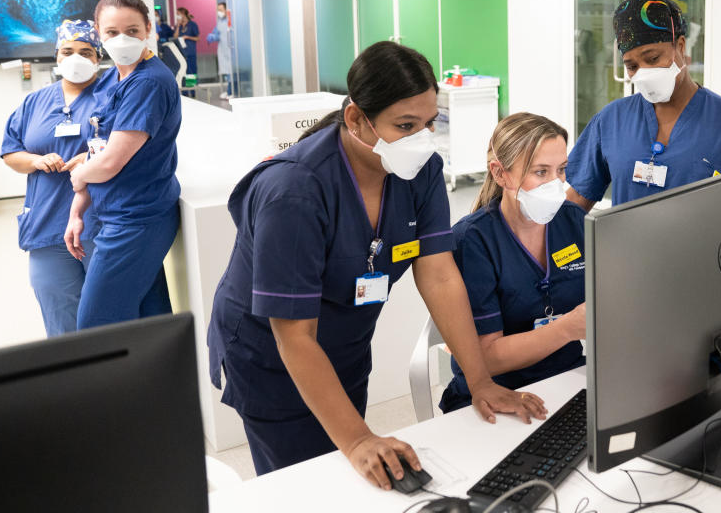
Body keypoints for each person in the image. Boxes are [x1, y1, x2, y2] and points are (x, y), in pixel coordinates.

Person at [207, 41, 547, 485]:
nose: (421, 139)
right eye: (405, 125)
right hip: (273, 360)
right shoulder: (295, 191)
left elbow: (439, 274)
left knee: (356, 480)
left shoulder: (418, 170)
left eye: (429, 122)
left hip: (344, 348)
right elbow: (293, 335)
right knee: (305, 486)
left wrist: (480, 381)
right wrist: (357, 440)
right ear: (356, 119)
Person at [566, 0, 721, 211]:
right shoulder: (611, 121)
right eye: (632, 66)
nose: (644, 73)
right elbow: (575, 203)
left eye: (652, 59)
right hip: (625, 246)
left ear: (680, 46)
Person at [439, 113, 587, 413]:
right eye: (540, 172)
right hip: (495, 394)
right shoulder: (473, 241)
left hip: (567, 379)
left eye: (561, 170)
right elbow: (484, 357)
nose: (556, 184)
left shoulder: (573, 221)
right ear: (500, 173)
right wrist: (567, 329)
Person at [65, 0, 181, 329]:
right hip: (118, 212)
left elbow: (111, 161)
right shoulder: (112, 80)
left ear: (148, 28)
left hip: (137, 219)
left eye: (132, 30)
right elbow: (97, 147)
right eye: (112, 32)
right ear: (99, 35)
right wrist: (77, 208)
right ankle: (161, 383)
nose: (122, 39)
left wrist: (80, 176)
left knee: (95, 326)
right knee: (149, 320)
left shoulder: (149, 83)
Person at [0, 20, 103, 336]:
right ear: (57, 56)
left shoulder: (111, 93)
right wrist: (35, 160)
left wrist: (94, 157)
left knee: (110, 316)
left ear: (98, 57)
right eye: (69, 51)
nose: (77, 58)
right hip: (47, 225)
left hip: (100, 222)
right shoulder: (35, 102)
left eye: (86, 52)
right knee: (60, 320)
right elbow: (10, 152)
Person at [173, 6, 199, 98]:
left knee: (191, 72)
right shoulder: (178, 26)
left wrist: (187, 37)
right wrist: (178, 26)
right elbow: (175, 37)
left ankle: (192, 93)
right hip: (181, 53)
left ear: (183, 15)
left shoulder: (192, 25)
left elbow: (197, 38)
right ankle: (184, 94)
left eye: (178, 14)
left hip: (190, 52)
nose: (177, 16)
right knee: (183, 72)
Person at [213, 2, 233, 100]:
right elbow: (218, 33)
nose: (219, 12)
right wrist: (214, 36)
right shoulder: (220, 21)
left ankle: (232, 91)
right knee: (227, 72)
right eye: (218, 10)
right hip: (223, 49)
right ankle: (229, 91)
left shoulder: (230, 21)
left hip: (230, 49)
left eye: (221, 10)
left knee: (232, 71)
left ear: (226, 10)